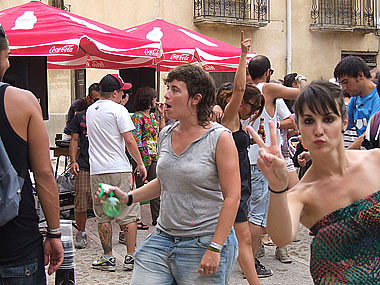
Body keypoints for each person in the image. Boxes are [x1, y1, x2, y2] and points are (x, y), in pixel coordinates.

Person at [97, 64, 240, 284]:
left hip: (203, 241)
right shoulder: (166, 134)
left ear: (196, 98)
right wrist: (128, 197)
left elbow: (232, 197)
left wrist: (215, 246)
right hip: (163, 239)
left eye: (175, 89)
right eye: (168, 88)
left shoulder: (219, 138)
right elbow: (165, 181)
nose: (166, 95)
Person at [248, 80, 380, 284]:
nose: (319, 130)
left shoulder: (376, 160)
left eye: (328, 119)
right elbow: (282, 237)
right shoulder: (302, 194)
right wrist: (277, 186)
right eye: (309, 121)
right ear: (298, 126)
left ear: (344, 121)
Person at [0, 24, 64, 283]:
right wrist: (54, 233)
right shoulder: (23, 102)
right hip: (16, 242)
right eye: (7, 54)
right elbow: (44, 174)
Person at [244, 55, 307, 277]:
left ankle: (253, 253)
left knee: (247, 210)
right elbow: (301, 94)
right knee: (257, 215)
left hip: (244, 157)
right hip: (265, 159)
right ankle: (250, 262)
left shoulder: (242, 91)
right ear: (268, 72)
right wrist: (303, 82)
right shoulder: (268, 89)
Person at [86, 73, 147, 271]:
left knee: (103, 215)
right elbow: (129, 140)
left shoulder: (90, 110)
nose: (123, 94)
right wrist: (140, 163)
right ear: (115, 92)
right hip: (119, 168)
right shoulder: (119, 110)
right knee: (128, 214)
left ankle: (108, 257)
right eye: (122, 91)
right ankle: (130, 257)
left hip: (97, 171)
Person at [220, 32, 262, 284]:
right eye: (253, 105)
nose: (254, 111)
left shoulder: (240, 123)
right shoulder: (230, 117)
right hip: (233, 185)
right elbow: (238, 88)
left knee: (236, 239)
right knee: (241, 238)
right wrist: (244, 55)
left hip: (241, 184)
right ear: (242, 102)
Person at [131, 87, 165, 226]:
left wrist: (162, 115)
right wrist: (139, 160)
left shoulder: (151, 116)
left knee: (155, 187)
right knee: (139, 188)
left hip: (154, 155)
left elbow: (161, 132)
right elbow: (136, 139)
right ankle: (135, 219)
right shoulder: (137, 117)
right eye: (154, 97)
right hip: (142, 157)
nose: (156, 100)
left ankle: (157, 218)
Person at [334, 56, 380, 149]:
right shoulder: (355, 98)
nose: (344, 88)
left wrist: (345, 154)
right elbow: (342, 124)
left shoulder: (377, 98)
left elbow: (367, 134)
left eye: (346, 82)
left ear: (360, 76)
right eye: (341, 84)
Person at [69, 108, 93, 249]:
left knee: (111, 199)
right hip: (84, 163)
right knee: (81, 198)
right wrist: (73, 161)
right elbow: (74, 139)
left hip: (106, 165)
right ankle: (81, 231)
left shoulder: (113, 112)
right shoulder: (80, 117)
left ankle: (122, 230)